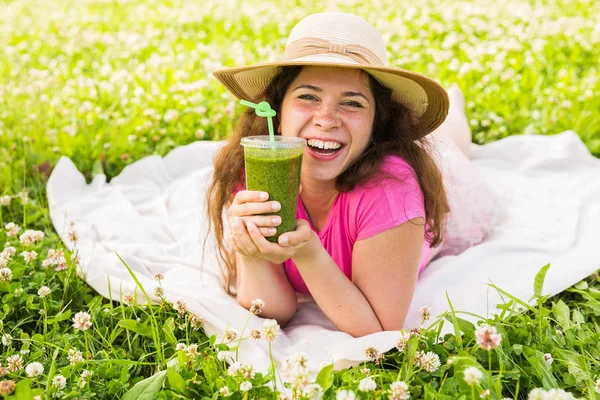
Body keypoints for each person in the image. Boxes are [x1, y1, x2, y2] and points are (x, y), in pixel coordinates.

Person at [205, 12, 478, 337]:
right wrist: (247, 249)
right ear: (278, 114)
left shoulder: (392, 190)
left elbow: (378, 329)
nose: (326, 119)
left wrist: (308, 253)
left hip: (445, 194)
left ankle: (456, 105)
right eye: (308, 96)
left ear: (378, 123)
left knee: (453, 145)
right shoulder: (260, 168)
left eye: (352, 103)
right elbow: (274, 309)